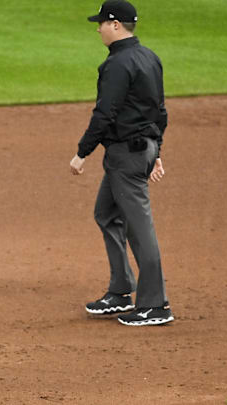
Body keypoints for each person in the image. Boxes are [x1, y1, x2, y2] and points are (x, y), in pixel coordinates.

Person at [69, 1, 173, 326]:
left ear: (115, 25)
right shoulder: (149, 57)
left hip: (126, 155)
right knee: (106, 213)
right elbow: (160, 111)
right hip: (139, 149)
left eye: (101, 23)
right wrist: (155, 151)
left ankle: (155, 305)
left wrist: (82, 152)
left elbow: (105, 113)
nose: (97, 28)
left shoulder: (117, 64)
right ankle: (120, 290)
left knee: (140, 229)